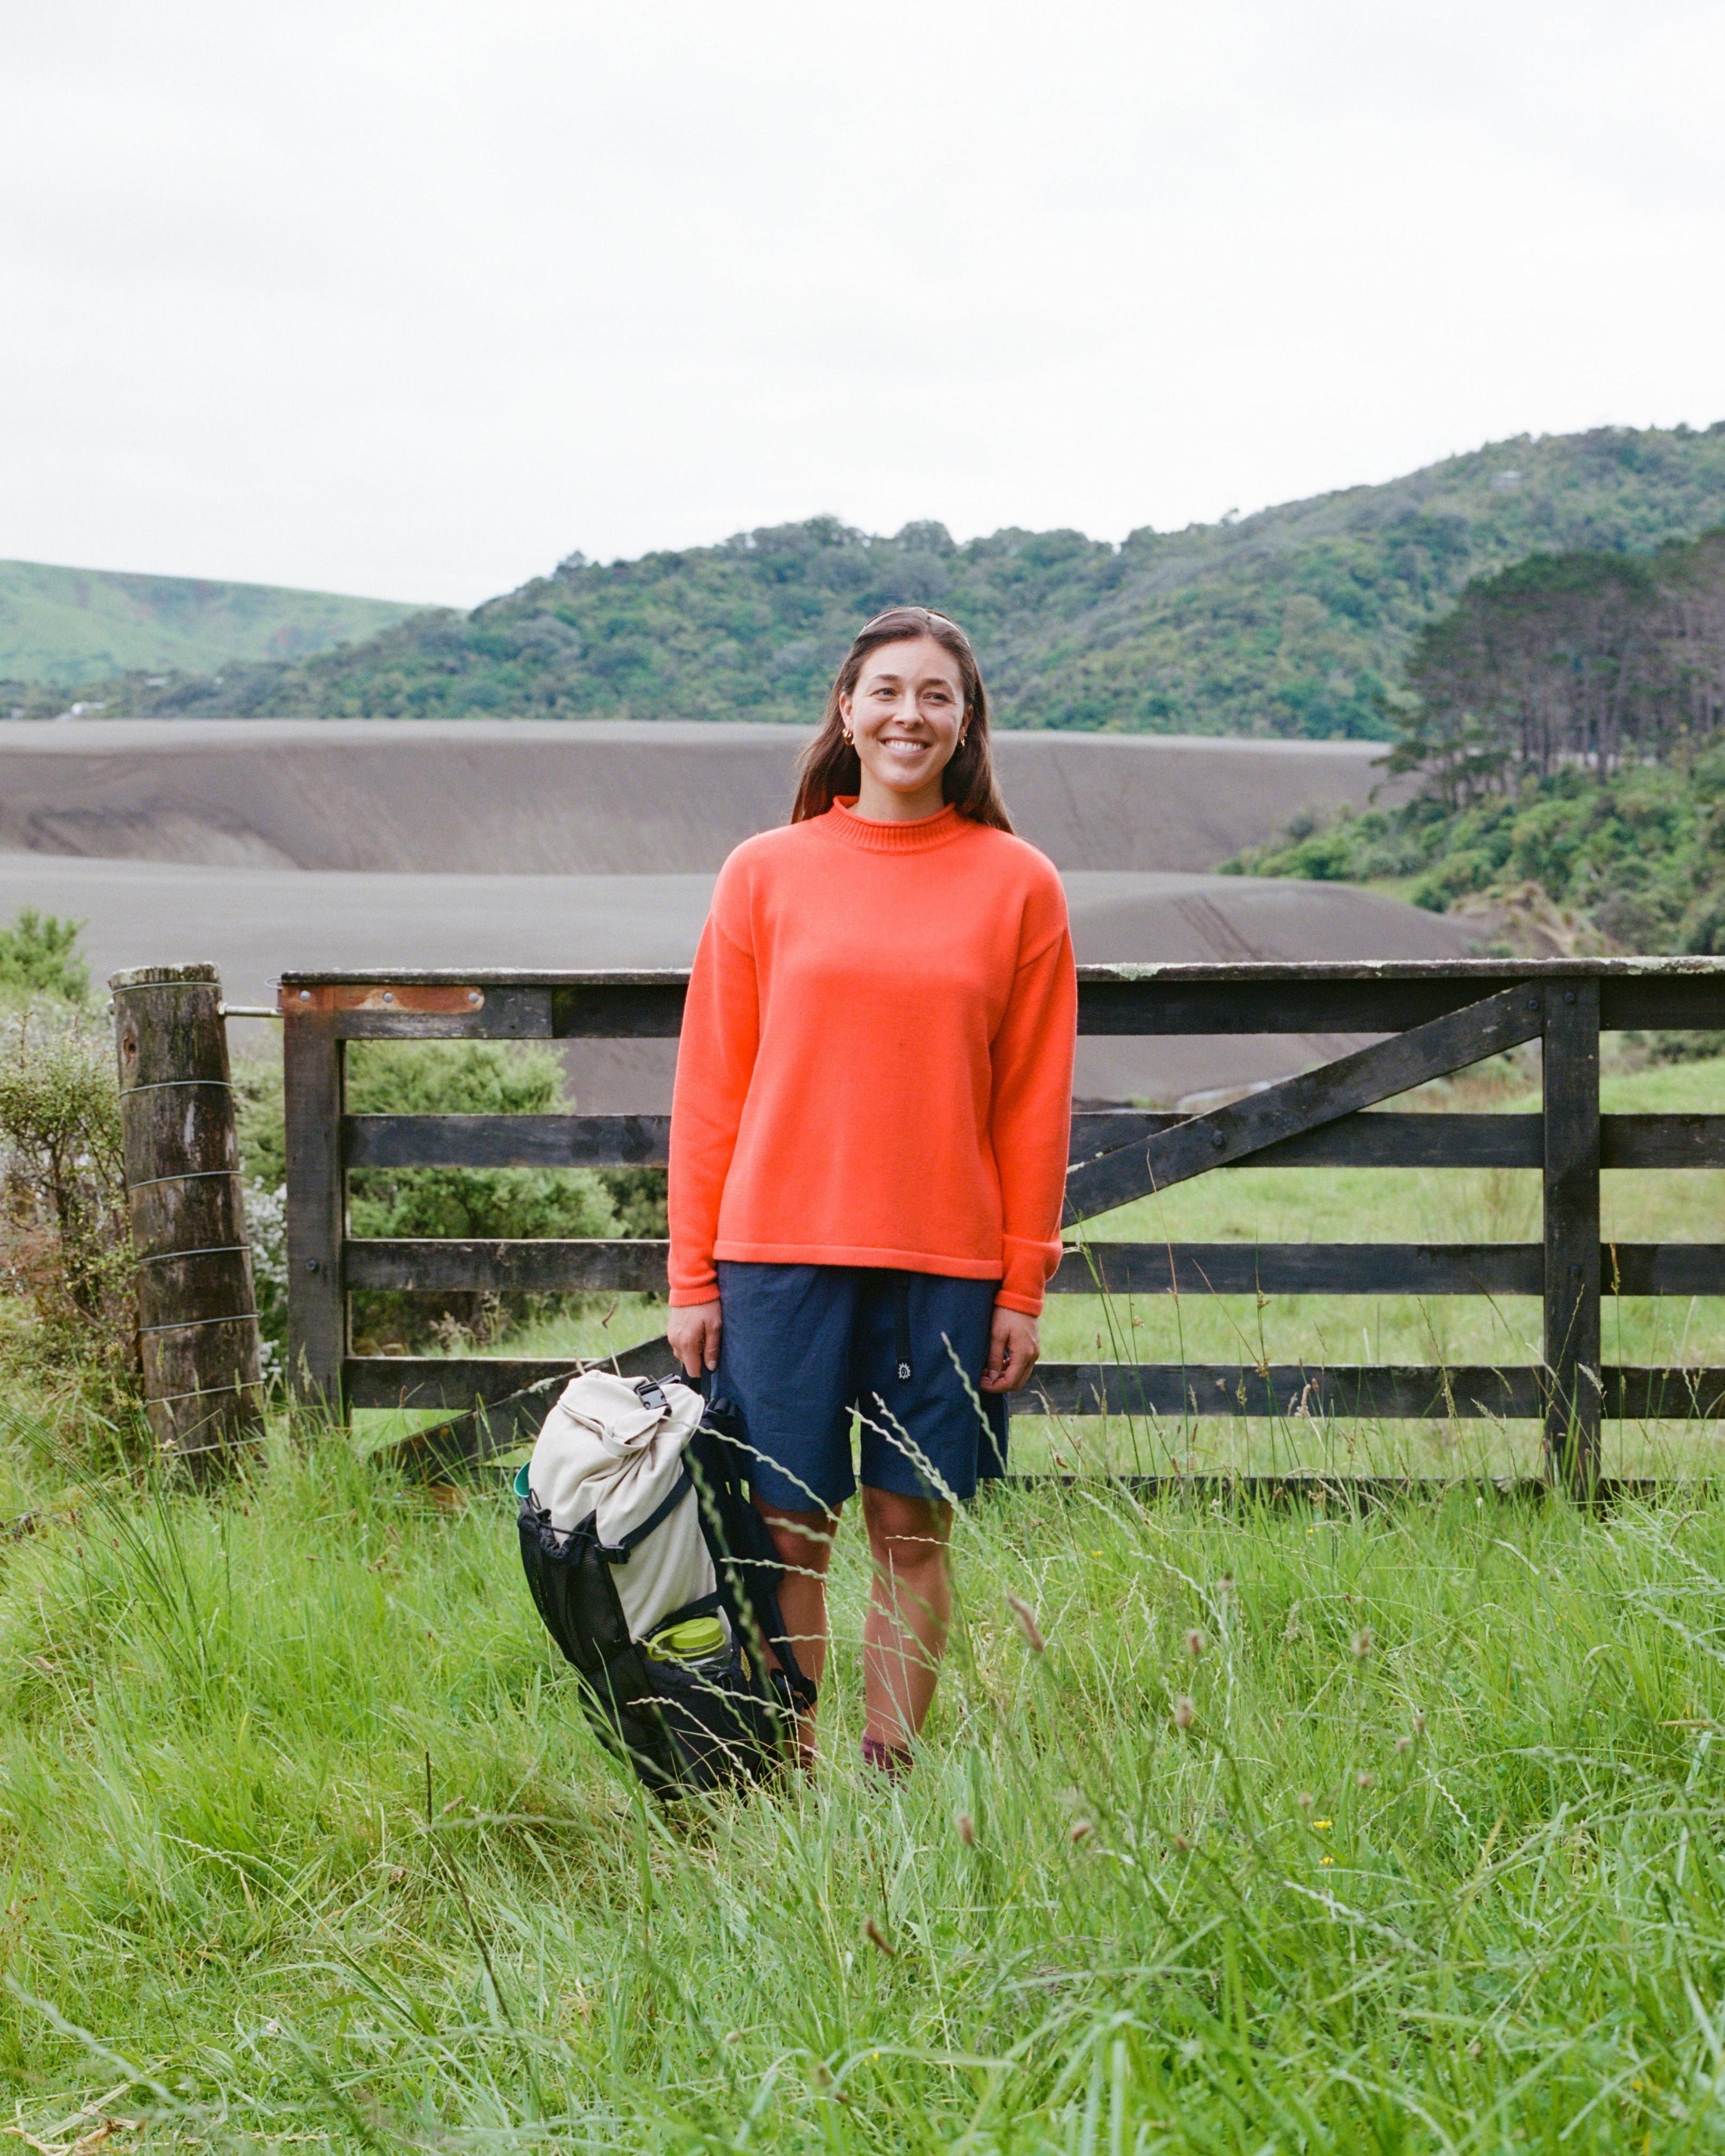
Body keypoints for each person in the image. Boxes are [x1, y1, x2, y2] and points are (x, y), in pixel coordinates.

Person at [665, 605, 1076, 1775]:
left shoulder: (1019, 886)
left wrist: (1022, 1283)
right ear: (847, 711)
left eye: (935, 695)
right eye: (887, 691)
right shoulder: (765, 873)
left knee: (910, 1525)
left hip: (945, 1266)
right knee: (790, 1530)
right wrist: (693, 1274)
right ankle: (788, 1761)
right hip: (778, 1258)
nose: (910, 714)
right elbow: (710, 1091)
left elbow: (1033, 1105)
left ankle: (888, 1773)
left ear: (965, 722)